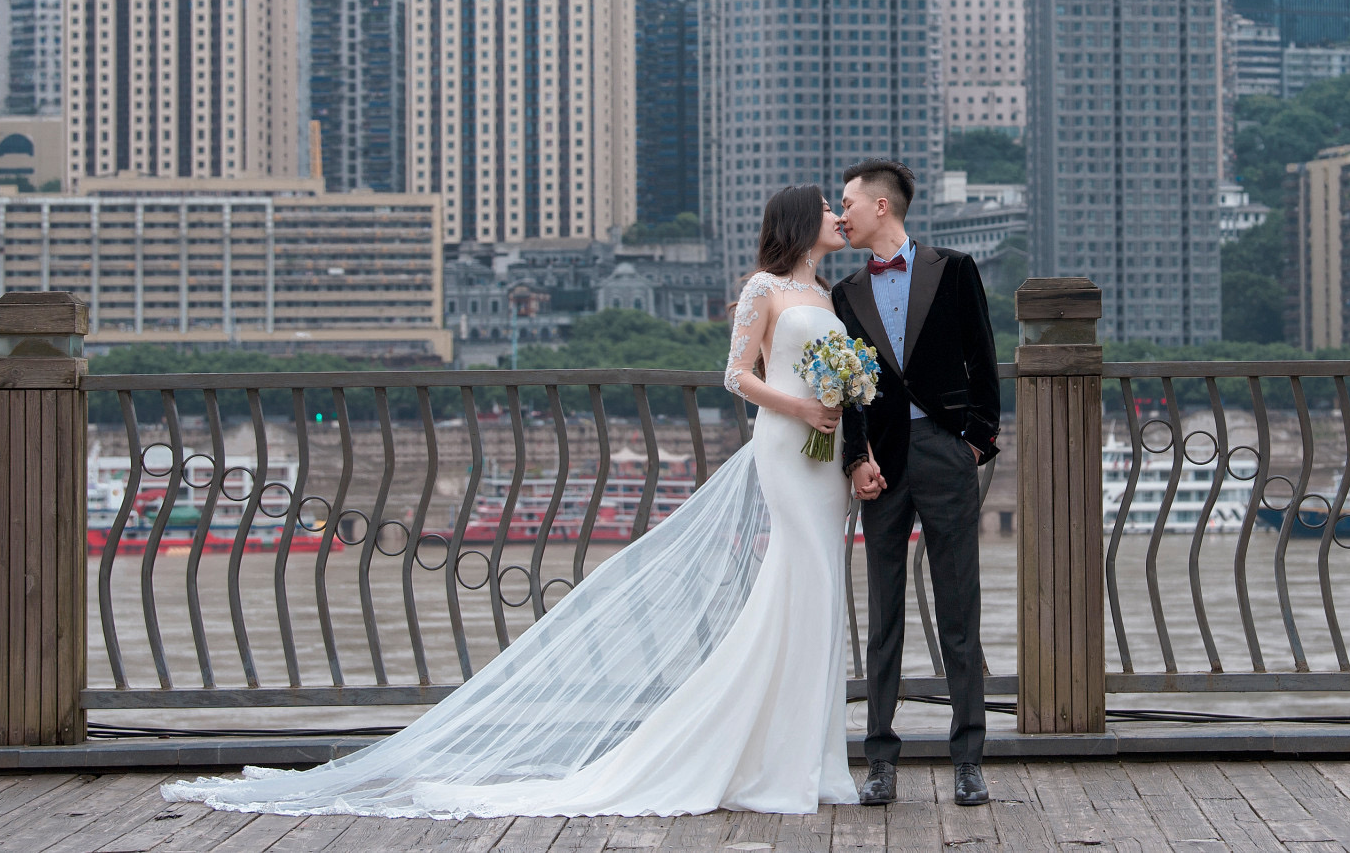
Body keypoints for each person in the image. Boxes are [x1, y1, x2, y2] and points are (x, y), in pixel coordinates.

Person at [161, 186, 861, 819]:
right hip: (786, 443)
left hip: (825, 458)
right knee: (799, 584)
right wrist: (802, 407)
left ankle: (812, 759)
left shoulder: (827, 295)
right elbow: (736, 375)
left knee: (821, 593)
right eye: (829, 207)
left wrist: (844, 422)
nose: (837, 215)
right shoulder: (763, 288)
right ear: (801, 221)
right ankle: (771, 758)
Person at [831, 159, 1000, 808]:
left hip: (945, 451)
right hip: (882, 464)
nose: (841, 215)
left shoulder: (953, 269)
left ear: (882, 206)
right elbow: (848, 388)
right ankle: (880, 759)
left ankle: (968, 760)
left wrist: (975, 442)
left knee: (960, 611)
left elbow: (983, 357)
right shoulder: (846, 292)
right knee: (883, 617)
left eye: (848, 202)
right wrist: (856, 457)